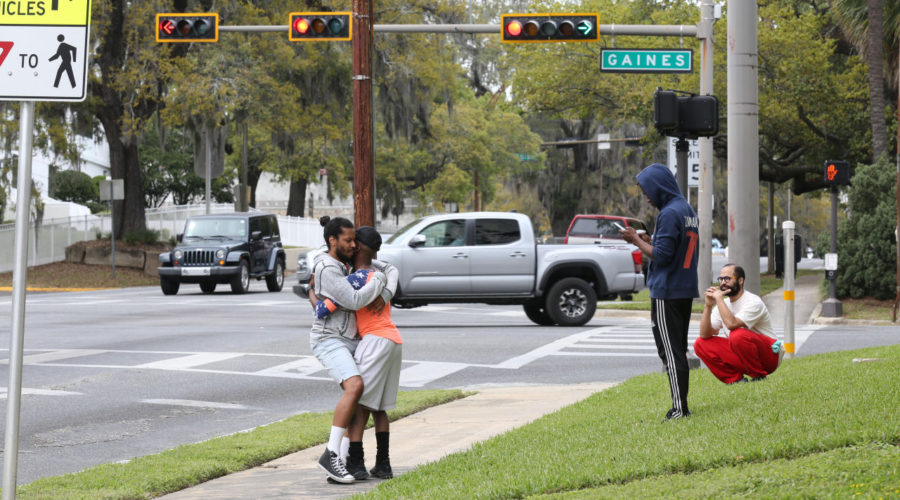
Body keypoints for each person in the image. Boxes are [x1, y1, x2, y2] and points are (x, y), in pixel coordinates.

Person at [308, 216, 397, 483]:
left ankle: (344, 461)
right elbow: (356, 300)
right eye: (347, 240)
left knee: (357, 400)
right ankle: (331, 454)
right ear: (332, 240)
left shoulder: (345, 265)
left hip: (351, 340)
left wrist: (387, 288)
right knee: (356, 387)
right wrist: (379, 280)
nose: (352, 245)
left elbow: (390, 267)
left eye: (355, 241)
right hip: (329, 339)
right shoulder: (327, 268)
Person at [621, 163, 699, 420]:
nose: (647, 196)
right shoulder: (686, 209)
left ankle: (679, 408)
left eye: (648, 190)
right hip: (684, 288)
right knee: (677, 349)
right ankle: (681, 404)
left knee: (670, 350)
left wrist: (636, 241)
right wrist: (648, 239)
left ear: (659, 187)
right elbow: (673, 247)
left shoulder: (668, 213)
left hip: (667, 290)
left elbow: (663, 257)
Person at [695, 264, 784, 384]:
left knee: (737, 335)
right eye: (721, 279)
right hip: (744, 356)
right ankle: (736, 380)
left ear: (740, 280)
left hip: (769, 356)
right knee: (700, 344)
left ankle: (759, 376)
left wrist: (719, 299)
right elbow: (705, 335)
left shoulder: (753, 301)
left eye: (727, 279)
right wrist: (708, 306)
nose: (723, 283)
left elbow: (732, 324)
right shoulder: (723, 304)